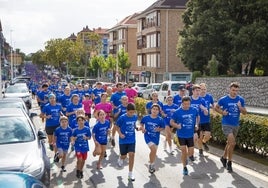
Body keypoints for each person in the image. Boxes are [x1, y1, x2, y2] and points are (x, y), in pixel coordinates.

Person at [215, 82, 247, 173]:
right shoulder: (223, 99)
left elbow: (245, 112)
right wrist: (222, 112)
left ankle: (223, 158)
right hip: (226, 124)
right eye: (233, 90)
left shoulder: (240, 99)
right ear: (229, 89)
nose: (235, 92)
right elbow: (216, 108)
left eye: (236, 90)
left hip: (235, 124)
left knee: (229, 143)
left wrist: (240, 107)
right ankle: (230, 163)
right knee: (232, 143)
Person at [170, 96, 200, 175]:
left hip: (190, 134)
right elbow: (171, 122)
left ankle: (187, 157)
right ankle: (184, 167)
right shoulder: (177, 112)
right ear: (182, 103)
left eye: (188, 104)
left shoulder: (194, 110)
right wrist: (177, 126)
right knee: (183, 151)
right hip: (181, 135)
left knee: (190, 153)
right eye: (185, 104)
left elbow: (197, 116)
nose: (186, 106)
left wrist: (197, 124)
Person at [140, 104, 165, 174]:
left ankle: (151, 163)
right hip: (148, 136)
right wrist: (143, 128)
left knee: (154, 152)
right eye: (153, 109)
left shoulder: (160, 119)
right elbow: (141, 123)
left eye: (157, 109)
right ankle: (151, 165)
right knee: (153, 149)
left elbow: (163, 127)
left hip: (156, 138)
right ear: (151, 110)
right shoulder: (146, 118)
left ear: (159, 111)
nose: (155, 110)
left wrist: (159, 129)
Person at [116, 103, 138, 181]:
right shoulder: (122, 118)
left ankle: (130, 174)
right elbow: (117, 127)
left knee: (132, 155)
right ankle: (121, 158)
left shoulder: (135, 117)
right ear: (127, 111)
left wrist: (136, 128)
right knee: (124, 156)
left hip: (132, 139)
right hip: (123, 140)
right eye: (130, 112)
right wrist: (120, 134)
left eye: (133, 112)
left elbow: (134, 124)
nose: (132, 114)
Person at [190, 84, 208, 157]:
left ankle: (200, 150)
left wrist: (204, 110)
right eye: (196, 91)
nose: (198, 92)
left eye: (199, 90)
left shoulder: (202, 100)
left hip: (198, 121)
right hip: (189, 121)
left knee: (199, 137)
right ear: (193, 91)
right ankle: (191, 153)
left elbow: (206, 112)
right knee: (194, 138)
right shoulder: (189, 99)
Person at [198, 83, 215, 154]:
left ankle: (204, 142)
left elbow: (213, 105)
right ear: (199, 90)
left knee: (208, 135)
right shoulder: (197, 98)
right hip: (198, 121)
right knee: (200, 136)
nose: (203, 91)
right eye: (202, 89)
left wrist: (213, 112)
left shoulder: (209, 96)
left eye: (204, 89)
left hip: (206, 120)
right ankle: (200, 150)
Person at [110, 82, 126, 147]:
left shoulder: (124, 93)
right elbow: (111, 102)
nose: (121, 88)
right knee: (116, 126)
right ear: (117, 87)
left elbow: (126, 101)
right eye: (119, 87)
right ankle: (113, 137)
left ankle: (123, 139)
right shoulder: (114, 95)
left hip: (124, 112)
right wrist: (115, 107)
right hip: (117, 113)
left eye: (122, 87)